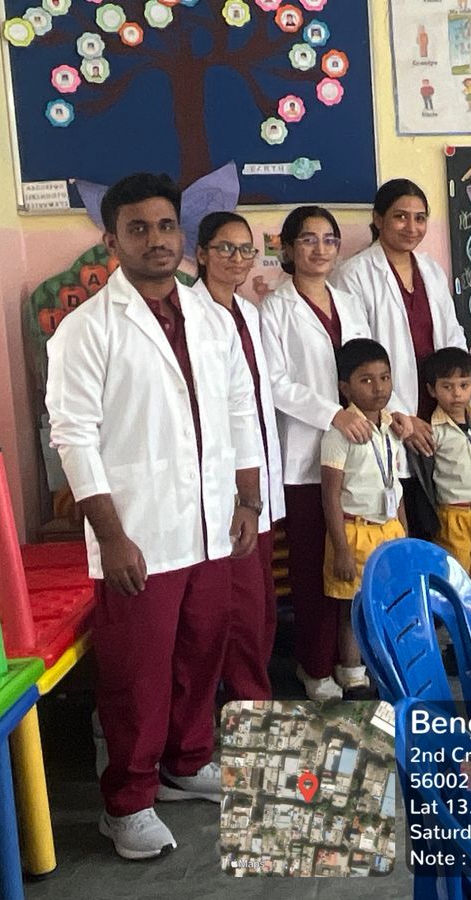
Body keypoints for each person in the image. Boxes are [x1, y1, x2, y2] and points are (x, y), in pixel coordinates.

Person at [47, 173, 262, 860]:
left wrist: (248, 499)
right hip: (138, 532)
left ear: (182, 232)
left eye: (166, 226)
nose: (156, 240)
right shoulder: (86, 328)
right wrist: (110, 537)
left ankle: (185, 761)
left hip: (209, 524)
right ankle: (128, 801)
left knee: (204, 649)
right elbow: (73, 435)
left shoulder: (209, 316)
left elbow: (238, 411)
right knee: (137, 673)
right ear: (112, 240)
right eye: (138, 229)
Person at [261, 206, 418, 701]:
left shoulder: (349, 301)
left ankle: (353, 661)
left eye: (329, 239)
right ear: (287, 249)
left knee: (359, 569)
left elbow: (371, 366)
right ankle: (314, 666)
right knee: (315, 568)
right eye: (308, 240)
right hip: (309, 456)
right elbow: (275, 382)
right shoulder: (274, 308)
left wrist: (393, 415)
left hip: (364, 450)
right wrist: (333, 414)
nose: (320, 249)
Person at [192, 211, 283, 701]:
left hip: (258, 477)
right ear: (201, 253)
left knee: (261, 603)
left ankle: (251, 695)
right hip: (221, 487)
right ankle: (247, 702)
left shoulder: (248, 312)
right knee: (236, 609)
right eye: (224, 248)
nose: (236, 259)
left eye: (245, 249)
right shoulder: (189, 314)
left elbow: (254, 405)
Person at [336, 179, 471, 421]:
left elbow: (453, 336)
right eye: (400, 217)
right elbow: (360, 353)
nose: (411, 227)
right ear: (378, 219)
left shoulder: (432, 270)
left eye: (420, 218)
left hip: (442, 403)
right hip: (389, 407)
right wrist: (398, 412)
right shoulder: (354, 274)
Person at [320, 338, 409, 700]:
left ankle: (385, 669)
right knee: (352, 609)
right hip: (354, 533)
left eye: (385, 378)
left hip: (389, 529)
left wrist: (404, 536)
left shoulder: (392, 428)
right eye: (366, 380)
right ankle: (354, 676)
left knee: (387, 604)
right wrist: (341, 549)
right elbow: (329, 494)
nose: (379, 388)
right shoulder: (339, 434)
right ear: (345, 388)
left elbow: (396, 486)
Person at [419, 347, 471, 631]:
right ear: (432, 390)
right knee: (455, 581)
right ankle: (456, 643)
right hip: (454, 515)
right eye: (447, 387)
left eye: (464, 386)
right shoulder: (433, 430)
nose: (456, 394)